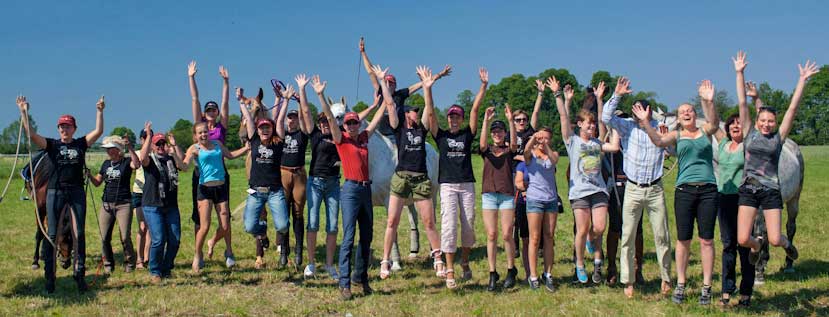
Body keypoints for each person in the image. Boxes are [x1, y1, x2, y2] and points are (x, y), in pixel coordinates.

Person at [360, 38, 452, 264]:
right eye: (387, 83)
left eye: (391, 83)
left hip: (398, 135)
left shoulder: (401, 94)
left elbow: (421, 84)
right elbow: (372, 73)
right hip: (379, 134)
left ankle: (417, 231)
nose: (389, 85)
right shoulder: (379, 92)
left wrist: (437, 76)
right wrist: (363, 53)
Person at [633, 79, 720, 304]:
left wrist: (709, 101)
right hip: (684, 191)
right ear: (679, 118)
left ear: (695, 114)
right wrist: (645, 123)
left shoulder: (705, 131)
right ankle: (680, 283)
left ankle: (707, 286)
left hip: (709, 190)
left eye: (690, 110)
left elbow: (715, 121)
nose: (687, 113)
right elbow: (659, 141)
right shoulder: (677, 135)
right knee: (683, 240)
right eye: (683, 112)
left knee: (707, 241)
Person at [736, 54, 818, 287]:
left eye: (771, 121)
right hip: (749, 190)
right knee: (744, 238)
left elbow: (792, 108)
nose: (766, 124)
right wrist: (739, 73)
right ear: (757, 120)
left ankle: (787, 245)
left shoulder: (778, 138)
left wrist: (802, 80)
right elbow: (743, 103)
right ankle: (754, 247)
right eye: (763, 120)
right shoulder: (749, 132)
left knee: (773, 238)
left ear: (775, 122)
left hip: (771, 190)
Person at [16, 95, 104, 292]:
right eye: (62, 127)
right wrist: (24, 112)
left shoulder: (80, 144)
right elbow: (31, 135)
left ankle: (79, 274)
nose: (65, 129)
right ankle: (50, 277)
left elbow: (99, 131)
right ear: (58, 130)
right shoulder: (52, 145)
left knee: (78, 233)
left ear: (74, 129)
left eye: (68, 126)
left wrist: (99, 111)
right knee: (52, 234)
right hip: (55, 192)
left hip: (76, 192)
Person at [601, 76, 673, 298]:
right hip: (632, 188)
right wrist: (617, 95)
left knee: (662, 235)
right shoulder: (626, 127)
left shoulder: (661, 128)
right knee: (628, 235)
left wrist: (654, 128)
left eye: (641, 110)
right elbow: (605, 117)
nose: (637, 114)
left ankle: (666, 278)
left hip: (655, 188)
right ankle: (628, 281)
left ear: (649, 111)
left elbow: (670, 147)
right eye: (634, 110)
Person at [372, 64, 444, 280]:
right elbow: (390, 105)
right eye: (413, 111)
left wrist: (428, 88)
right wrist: (384, 84)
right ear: (406, 114)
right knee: (392, 221)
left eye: (416, 111)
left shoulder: (421, 129)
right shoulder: (397, 128)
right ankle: (386, 260)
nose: (415, 113)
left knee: (429, 222)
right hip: (401, 178)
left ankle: (438, 259)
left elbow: (429, 110)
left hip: (420, 179)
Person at [551, 77, 620, 284]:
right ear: (580, 124)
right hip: (579, 192)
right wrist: (559, 96)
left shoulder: (598, 142)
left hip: (599, 190)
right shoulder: (572, 141)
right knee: (581, 229)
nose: (592, 127)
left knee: (599, 228)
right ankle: (580, 264)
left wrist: (614, 125)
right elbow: (564, 116)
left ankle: (591, 239)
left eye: (592, 125)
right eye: (588, 124)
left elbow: (614, 146)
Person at [423, 67, 485, 288]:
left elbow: (475, 110)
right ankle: (449, 269)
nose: (454, 120)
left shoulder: (468, 135)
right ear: (447, 119)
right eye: (451, 116)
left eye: (457, 116)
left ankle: (465, 261)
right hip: (448, 185)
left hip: (467, 184)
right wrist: (428, 89)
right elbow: (430, 115)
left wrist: (483, 86)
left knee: (468, 226)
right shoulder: (440, 136)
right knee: (449, 227)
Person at [326, 81, 389, 300]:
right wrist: (320, 95)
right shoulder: (340, 141)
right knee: (349, 236)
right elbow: (330, 120)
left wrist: (384, 97)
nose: (353, 126)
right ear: (344, 126)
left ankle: (360, 278)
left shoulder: (363, 138)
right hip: (351, 190)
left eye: (355, 123)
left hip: (366, 190)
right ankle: (344, 284)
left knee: (367, 236)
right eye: (349, 123)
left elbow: (378, 118)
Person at [181, 122, 249, 273]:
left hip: (221, 188)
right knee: (204, 226)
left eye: (205, 132)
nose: (203, 135)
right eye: (200, 133)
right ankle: (197, 255)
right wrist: (174, 153)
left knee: (225, 226)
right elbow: (185, 166)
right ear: (195, 136)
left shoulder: (217, 144)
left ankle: (213, 242)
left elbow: (230, 155)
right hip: (204, 189)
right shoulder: (194, 148)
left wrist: (246, 148)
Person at [239, 85, 292, 269]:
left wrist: (285, 100)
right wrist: (240, 100)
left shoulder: (277, 143)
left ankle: (282, 245)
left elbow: (280, 120)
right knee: (249, 227)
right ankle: (262, 233)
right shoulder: (253, 141)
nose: (264, 130)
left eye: (267, 128)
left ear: (271, 130)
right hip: (255, 191)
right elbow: (248, 118)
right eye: (261, 128)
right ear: (257, 130)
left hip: (274, 191)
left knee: (283, 226)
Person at [187, 61, 234, 259]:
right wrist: (191, 77)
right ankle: (198, 254)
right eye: (208, 111)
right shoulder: (200, 128)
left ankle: (227, 250)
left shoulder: (221, 128)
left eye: (213, 110)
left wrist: (225, 82)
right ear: (204, 114)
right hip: (201, 175)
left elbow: (225, 103)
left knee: (225, 217)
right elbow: (195, 99)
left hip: (221, 174)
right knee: (201, 218)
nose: (211, 113)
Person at [304, 75, 343, 280]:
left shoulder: (338, 135)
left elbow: (332, 116)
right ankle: (311, 264)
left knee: (333, 225)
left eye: (327, 120)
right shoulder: (315, 134)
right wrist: (305, 91)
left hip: (334, 184)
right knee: (312, 223)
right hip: (315, 183)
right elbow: (305, 112)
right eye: (322, 121)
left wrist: (373, 104)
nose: (325, 124)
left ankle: (329, 265)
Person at [137, 122, 185, 283]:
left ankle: (166, 267)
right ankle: (155, 271)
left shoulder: (171, 159)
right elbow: (141, 158)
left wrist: (174, 146)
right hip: (152, 205)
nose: (160, 147)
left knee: (175, 239)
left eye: (162, 143)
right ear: (152, 146)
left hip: (170, 205)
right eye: (157, 144)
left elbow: (183, 166)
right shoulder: (149, 161)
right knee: (158, 239)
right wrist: (148, 137)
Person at [479, 104, 520, 291]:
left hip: (506, 195)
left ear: (504, 133)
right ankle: (492, 273)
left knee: (506, 234)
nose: (497, 134)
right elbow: (481, 143)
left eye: (499, 131)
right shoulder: (486, 150)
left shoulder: (510, 150)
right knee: (491, 234)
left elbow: (513, 145)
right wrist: (486, 122)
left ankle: (511, 269)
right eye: (494, 131)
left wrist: (511, 120)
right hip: (489, 195)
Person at [277, 74, 314, 269]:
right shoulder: (281, 135)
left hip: (299, 174)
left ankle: (299, 249)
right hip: (283, 173)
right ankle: (284, 250)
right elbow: (279, 119)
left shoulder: (303, 134)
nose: (291, 121)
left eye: (294, 118)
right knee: (283, 212)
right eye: (290, 118)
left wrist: (300, 95)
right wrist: (284, 99)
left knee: (298, 213)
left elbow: (306, 113)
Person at [87, 135, 139, 274]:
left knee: (124, 236)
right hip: (106, 204)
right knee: (104, 237)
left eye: (110, 148)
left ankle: (129, 261)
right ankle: (108, 263)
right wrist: (89, 175)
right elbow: (98, 182)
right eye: (107, 149)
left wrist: (130, 148)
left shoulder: (127, 162)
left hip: (124, 204)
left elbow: (137, 164)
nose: (108, 151)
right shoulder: (105, 164)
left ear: (117, 149)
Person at [521, 127, 560, 292]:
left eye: (546, 138)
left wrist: (546, 146)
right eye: (540, 138)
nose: (543, 141)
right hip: (535, 200)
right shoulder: (531, 157)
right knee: (535, 238)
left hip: (551, 200)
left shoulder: (553, 154)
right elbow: (525, 151)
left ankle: (548, 273)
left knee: (549, 236)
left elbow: (554, 160)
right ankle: (533, 275)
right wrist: (533, 140)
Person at [132, 130, 152, 270]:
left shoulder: (155, 153)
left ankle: (147, 257)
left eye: (150, 137)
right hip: (138, 193)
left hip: (152, 193)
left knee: (151, 227)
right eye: (145, 138)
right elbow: (134, 166)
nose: (147, 140)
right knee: (142, 227)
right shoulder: (138, 154)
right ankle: (138, 258)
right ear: (141, 140)